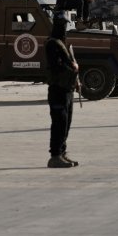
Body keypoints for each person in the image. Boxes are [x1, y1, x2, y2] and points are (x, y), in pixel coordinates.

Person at [45, 14, 79, 168]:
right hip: (58, 89)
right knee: (59, 122)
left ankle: (62, 153)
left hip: (67, 89)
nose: (64, 29)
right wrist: (72, 68)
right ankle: (55, 155)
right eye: (62, 26)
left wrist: (75, 79)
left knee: (66, 123)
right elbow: (57, 67)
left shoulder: (62, 43)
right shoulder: (52, 44)